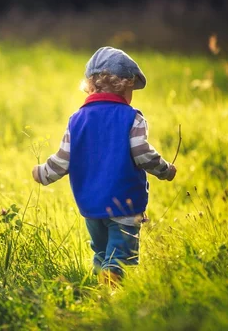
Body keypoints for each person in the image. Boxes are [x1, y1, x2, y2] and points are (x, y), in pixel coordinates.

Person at [31, 46, 177, 287]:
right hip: (125, 205)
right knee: (120, 257)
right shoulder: (132, 117)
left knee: (101, 253)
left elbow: (62, 159)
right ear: (123, 84)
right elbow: (142, 154)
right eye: (131, 89)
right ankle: (111, 293)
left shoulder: (76, 119)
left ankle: (102, 294)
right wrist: (166, 169)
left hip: (91, 207)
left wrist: (42, 173)